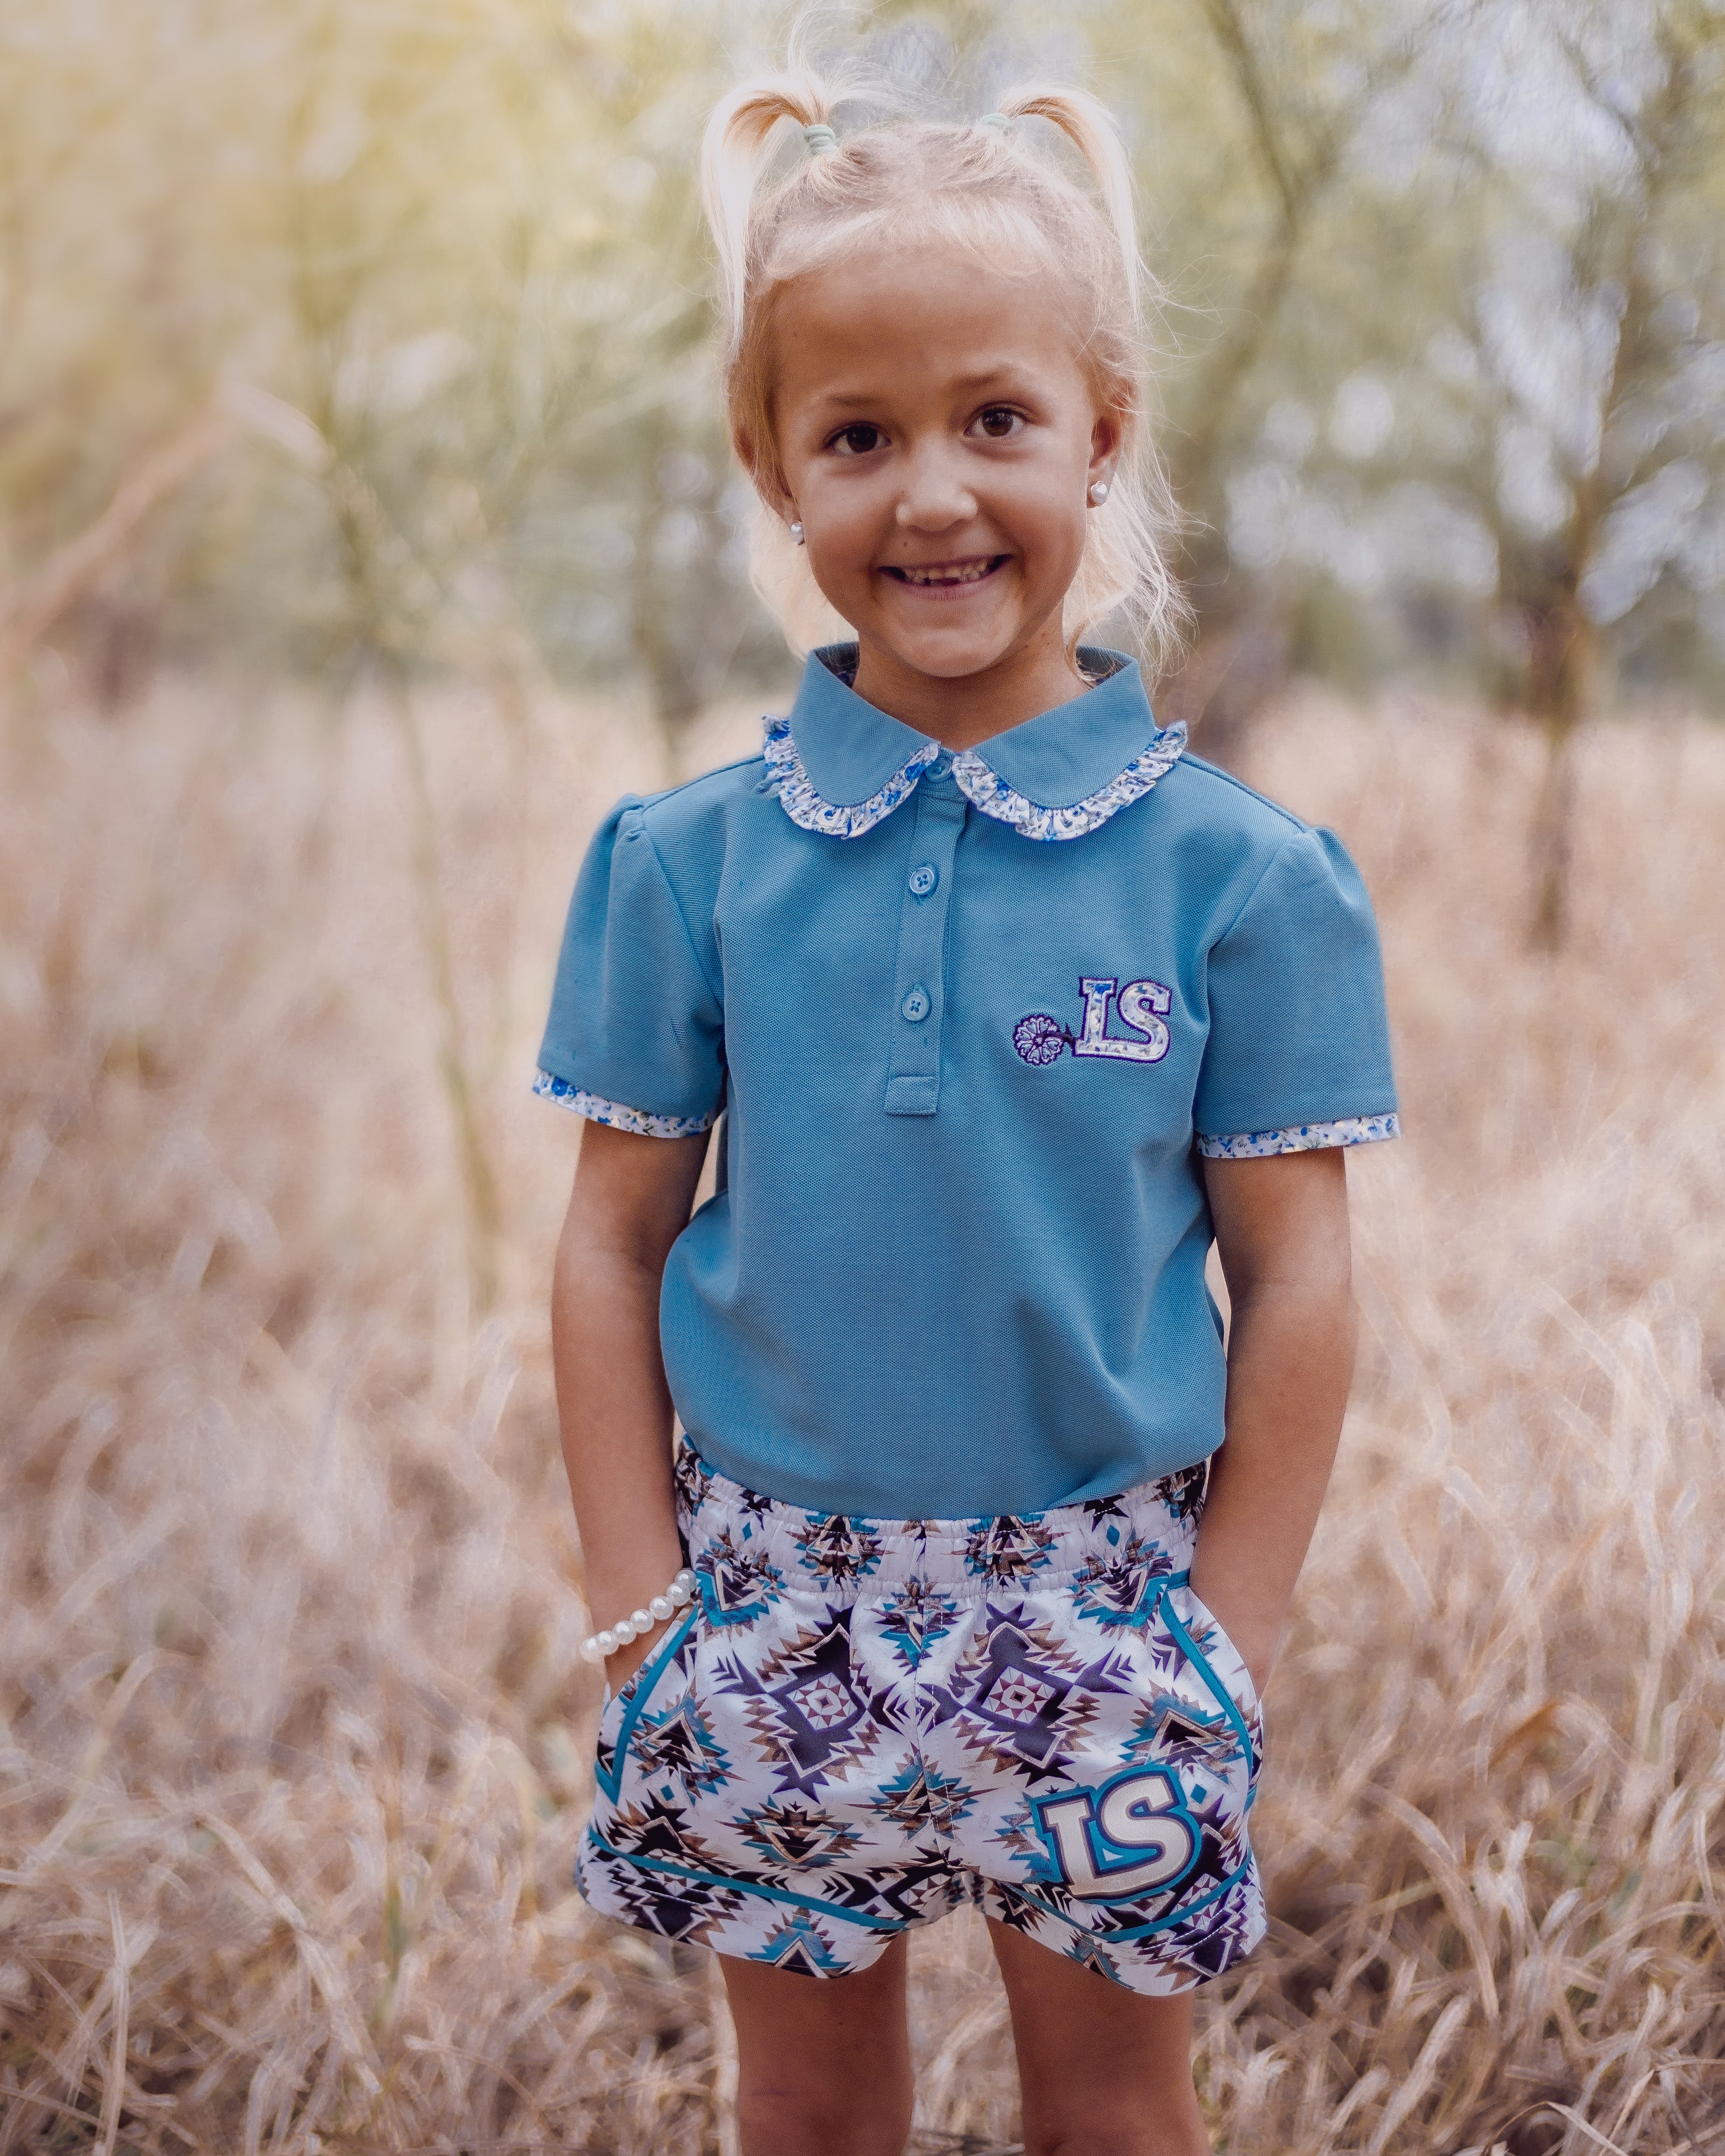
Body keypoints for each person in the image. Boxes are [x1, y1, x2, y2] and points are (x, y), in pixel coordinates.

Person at [539, 60, 1398, 2156]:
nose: (930, 495)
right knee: (805, 2114)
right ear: (768, 462)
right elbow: (608, 1242)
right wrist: (647, 1614)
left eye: (993, 419)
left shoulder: (1241, 881)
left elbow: (1297, 1279)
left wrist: (1221, 1641)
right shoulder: (684, 865)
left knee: (1111, 2117)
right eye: (858, 435)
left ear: (1102, 429)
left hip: (1106, 1614)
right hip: (765, 1602)